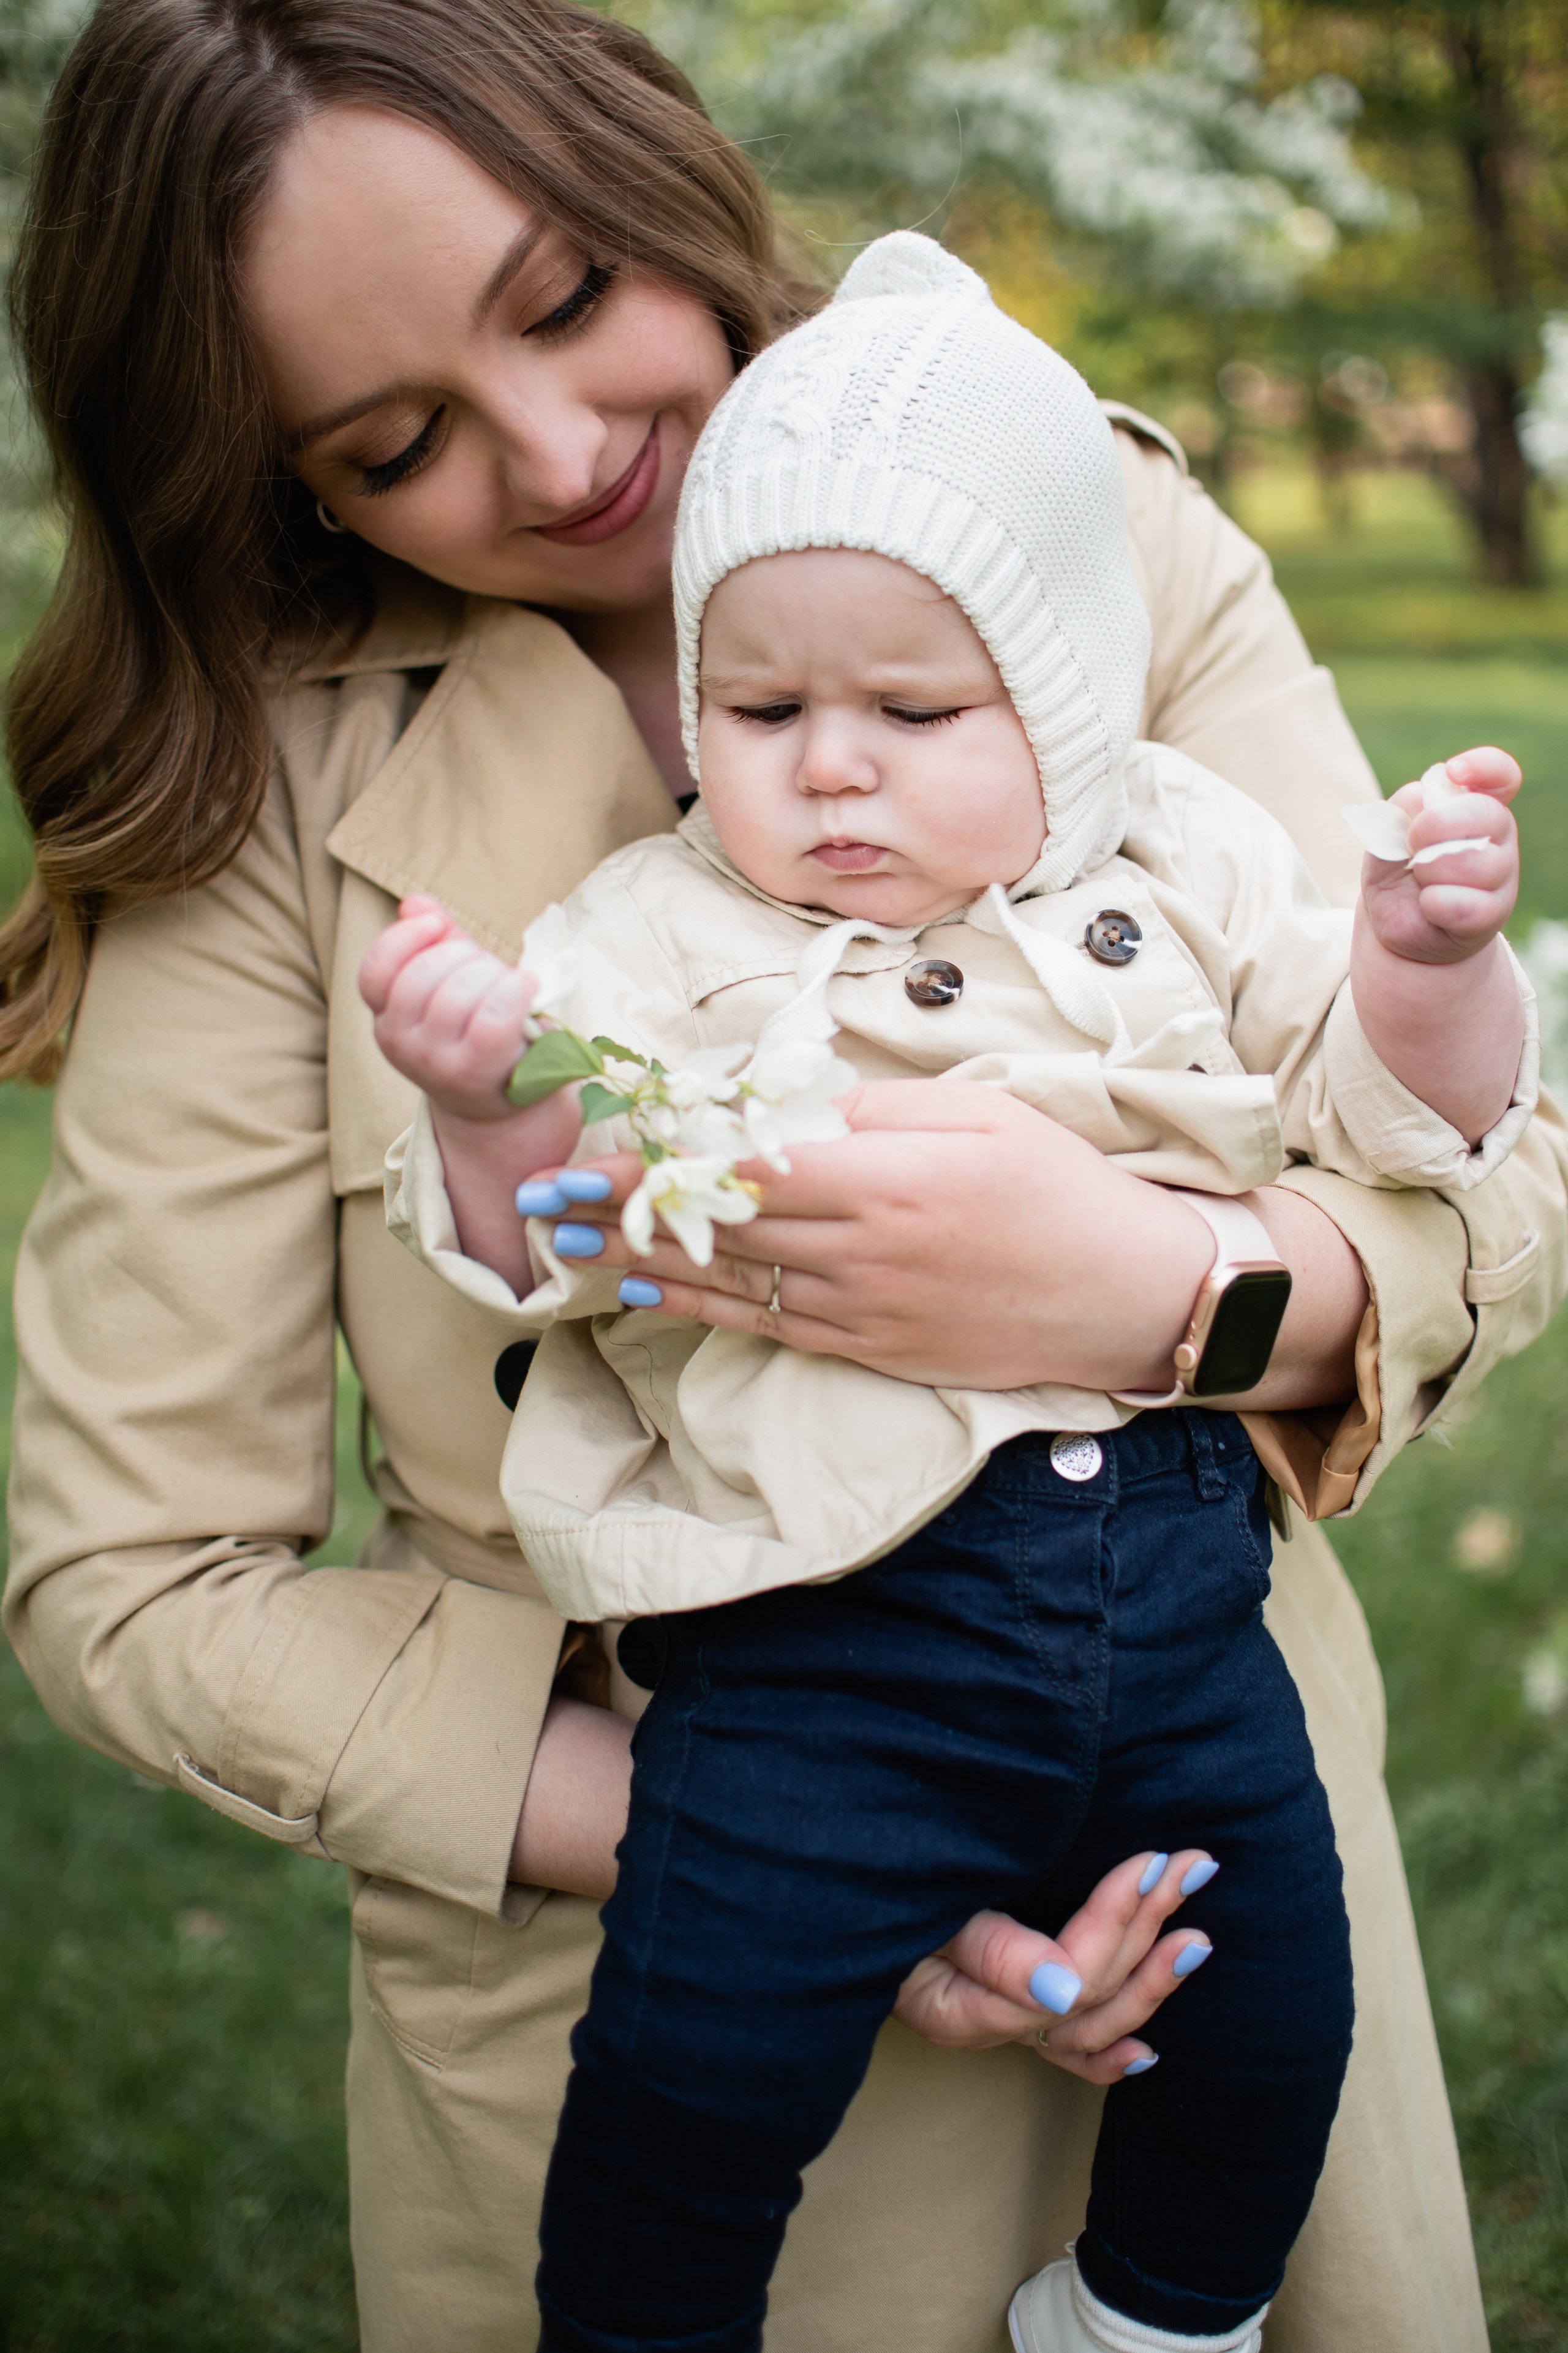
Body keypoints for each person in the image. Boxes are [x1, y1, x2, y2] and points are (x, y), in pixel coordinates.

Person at [0, 4, 1561, 2347]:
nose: (555, 450)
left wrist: (1160, 1286)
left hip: (1196, 1860)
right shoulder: (264, 805)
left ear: (649, 177)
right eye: (397, 436)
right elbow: (129, 1582)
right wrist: (756, 1824)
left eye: (557, 301)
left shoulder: (1093, 522)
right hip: (641, 1955)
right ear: (279, 473)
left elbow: (1477, 1165)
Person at [363, 235, 1532, 2353]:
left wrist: (1431, 968)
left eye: (911, 710)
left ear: (1064, 704)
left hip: (1176, 1614)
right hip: (818, 1652)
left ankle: (1155, 2318)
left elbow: (1403, 1125)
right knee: (693, 2068)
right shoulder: (641, 928)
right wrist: (481, 1095)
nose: (826, 768)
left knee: (1276, 2014)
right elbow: (554, 1243)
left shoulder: (1179, 870)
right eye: (763, 705)